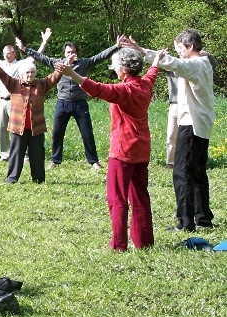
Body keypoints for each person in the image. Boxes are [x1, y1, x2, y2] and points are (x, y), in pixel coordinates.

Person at [56, 48, 164, 251]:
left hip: (123, 151)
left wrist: (71, 74)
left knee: (117, 198)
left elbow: (97, 89)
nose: (113, 69)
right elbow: (152, 73)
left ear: (123, 69)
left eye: (115, 66)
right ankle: (145, 242)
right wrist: (156, 60)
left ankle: (119, 245)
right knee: (140, 195)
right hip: (141, 150)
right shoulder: (145, 85)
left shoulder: (124, 91)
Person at [123, 31, 216, 232]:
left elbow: (175, 64)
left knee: (182, 172)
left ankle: (185, 222)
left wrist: (148, 55)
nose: (179, 53)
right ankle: (203, 217)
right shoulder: (205, 62)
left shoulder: (196, 65)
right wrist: (142, 51)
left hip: (191, 123)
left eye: (181, 49)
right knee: (198, 171)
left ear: (190, 47)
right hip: (201, 123)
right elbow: (174, 61)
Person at [17, 33, 122, 170]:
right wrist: (25, 49)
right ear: (64, 53)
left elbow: (100, 56)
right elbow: (41, 58)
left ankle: (93, 162)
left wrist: (116, 46)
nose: (70, 54)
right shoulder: (58, 64)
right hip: (63, 103)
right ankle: (55, 160)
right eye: (68, 52)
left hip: (80, 103)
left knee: (87, 133)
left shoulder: (84, 63)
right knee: (57, 133)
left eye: (73, 52)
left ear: (77, 53)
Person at [0, 52, 60, 183]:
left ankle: (39, 179)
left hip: (36, 128)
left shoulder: (41, 85)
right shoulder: (14, 84)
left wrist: (66, 65)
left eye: (32, 72)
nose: (29, 75)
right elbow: (1, 74)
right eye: (27, 72)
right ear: (21, 74)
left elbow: (55, 77)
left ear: (35, 74)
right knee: (16, 155)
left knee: (37, 155)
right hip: (18, 127)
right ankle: (12, 178)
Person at [0, 30, 49, 161]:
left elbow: (36, 55)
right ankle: (5, 155)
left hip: (16, 100)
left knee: (19, 127)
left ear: (14, 54)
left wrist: (44, 41)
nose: (6, 56)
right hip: (2, 101)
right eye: (4, 54)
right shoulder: (0, 64)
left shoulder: (21, 64)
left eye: (8, 54)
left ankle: (26, 155)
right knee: (2, 127)